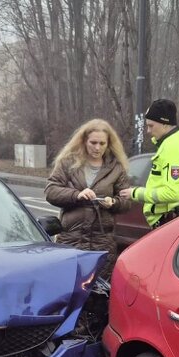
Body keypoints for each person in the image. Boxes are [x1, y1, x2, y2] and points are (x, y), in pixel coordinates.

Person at [44, 118, 133, 277]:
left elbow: (126, 201)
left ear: (108, 144)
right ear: (84, 141)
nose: (97, 148)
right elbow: (51, 191)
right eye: (93, 142)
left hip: (101, 241)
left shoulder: (116, 168)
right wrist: (76, 195)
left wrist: (113, 203)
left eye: (102, 143)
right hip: (72, 239)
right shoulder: (68, 163)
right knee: (68, 288)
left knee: (98, 294)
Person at [120, 98, 179, 228]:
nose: (148, 131)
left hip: (169, 220)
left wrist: (135, 193)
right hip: (172, 218)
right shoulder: (175, 142)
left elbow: (173, 193)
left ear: (164, 124)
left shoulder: (173, 147)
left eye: (151, 126)